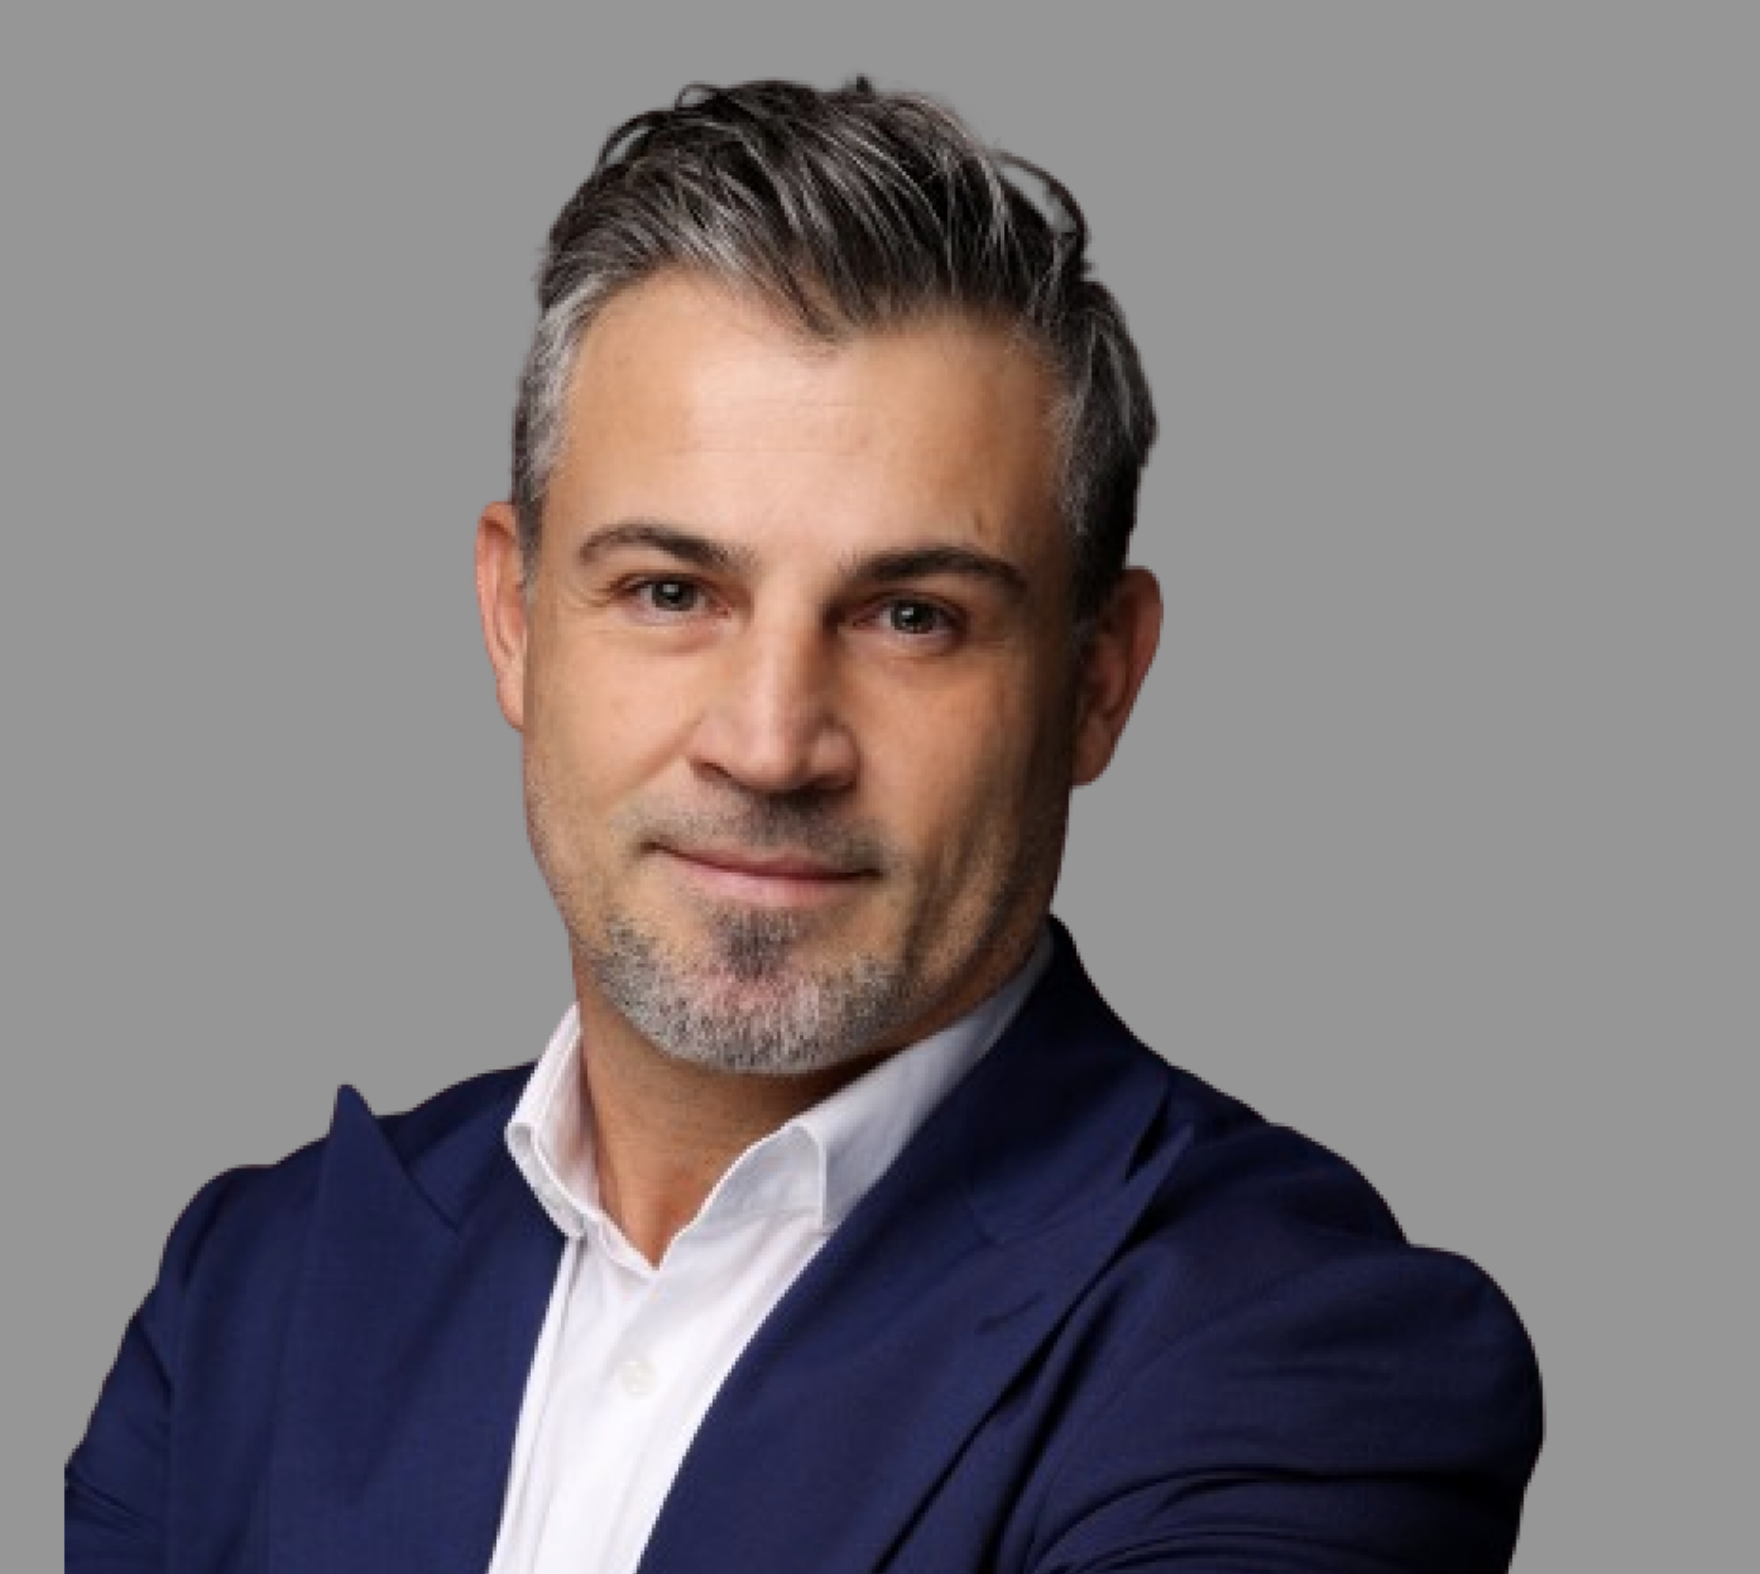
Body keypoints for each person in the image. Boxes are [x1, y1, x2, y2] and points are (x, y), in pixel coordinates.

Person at [66, 78, 1543, 1573]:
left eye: (913, 616)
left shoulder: (1299, 1352)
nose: (771, 742)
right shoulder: (250, 1297)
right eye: (670, 591)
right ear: (515, 620)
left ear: (1098, 682)